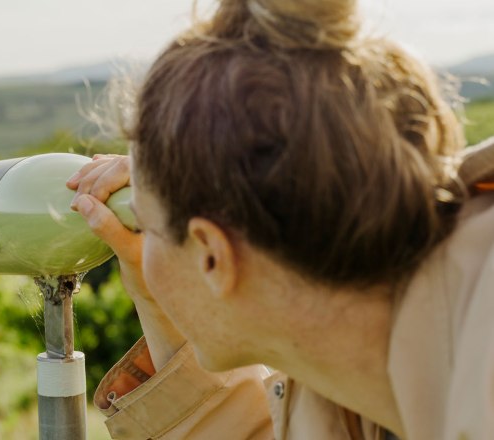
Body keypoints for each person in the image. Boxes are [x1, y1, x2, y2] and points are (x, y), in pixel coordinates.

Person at [66, 0, 494, 438]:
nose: (139, 240)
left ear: (213, 256)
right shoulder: (361, 365)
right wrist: (164, 298)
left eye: (144, 224)